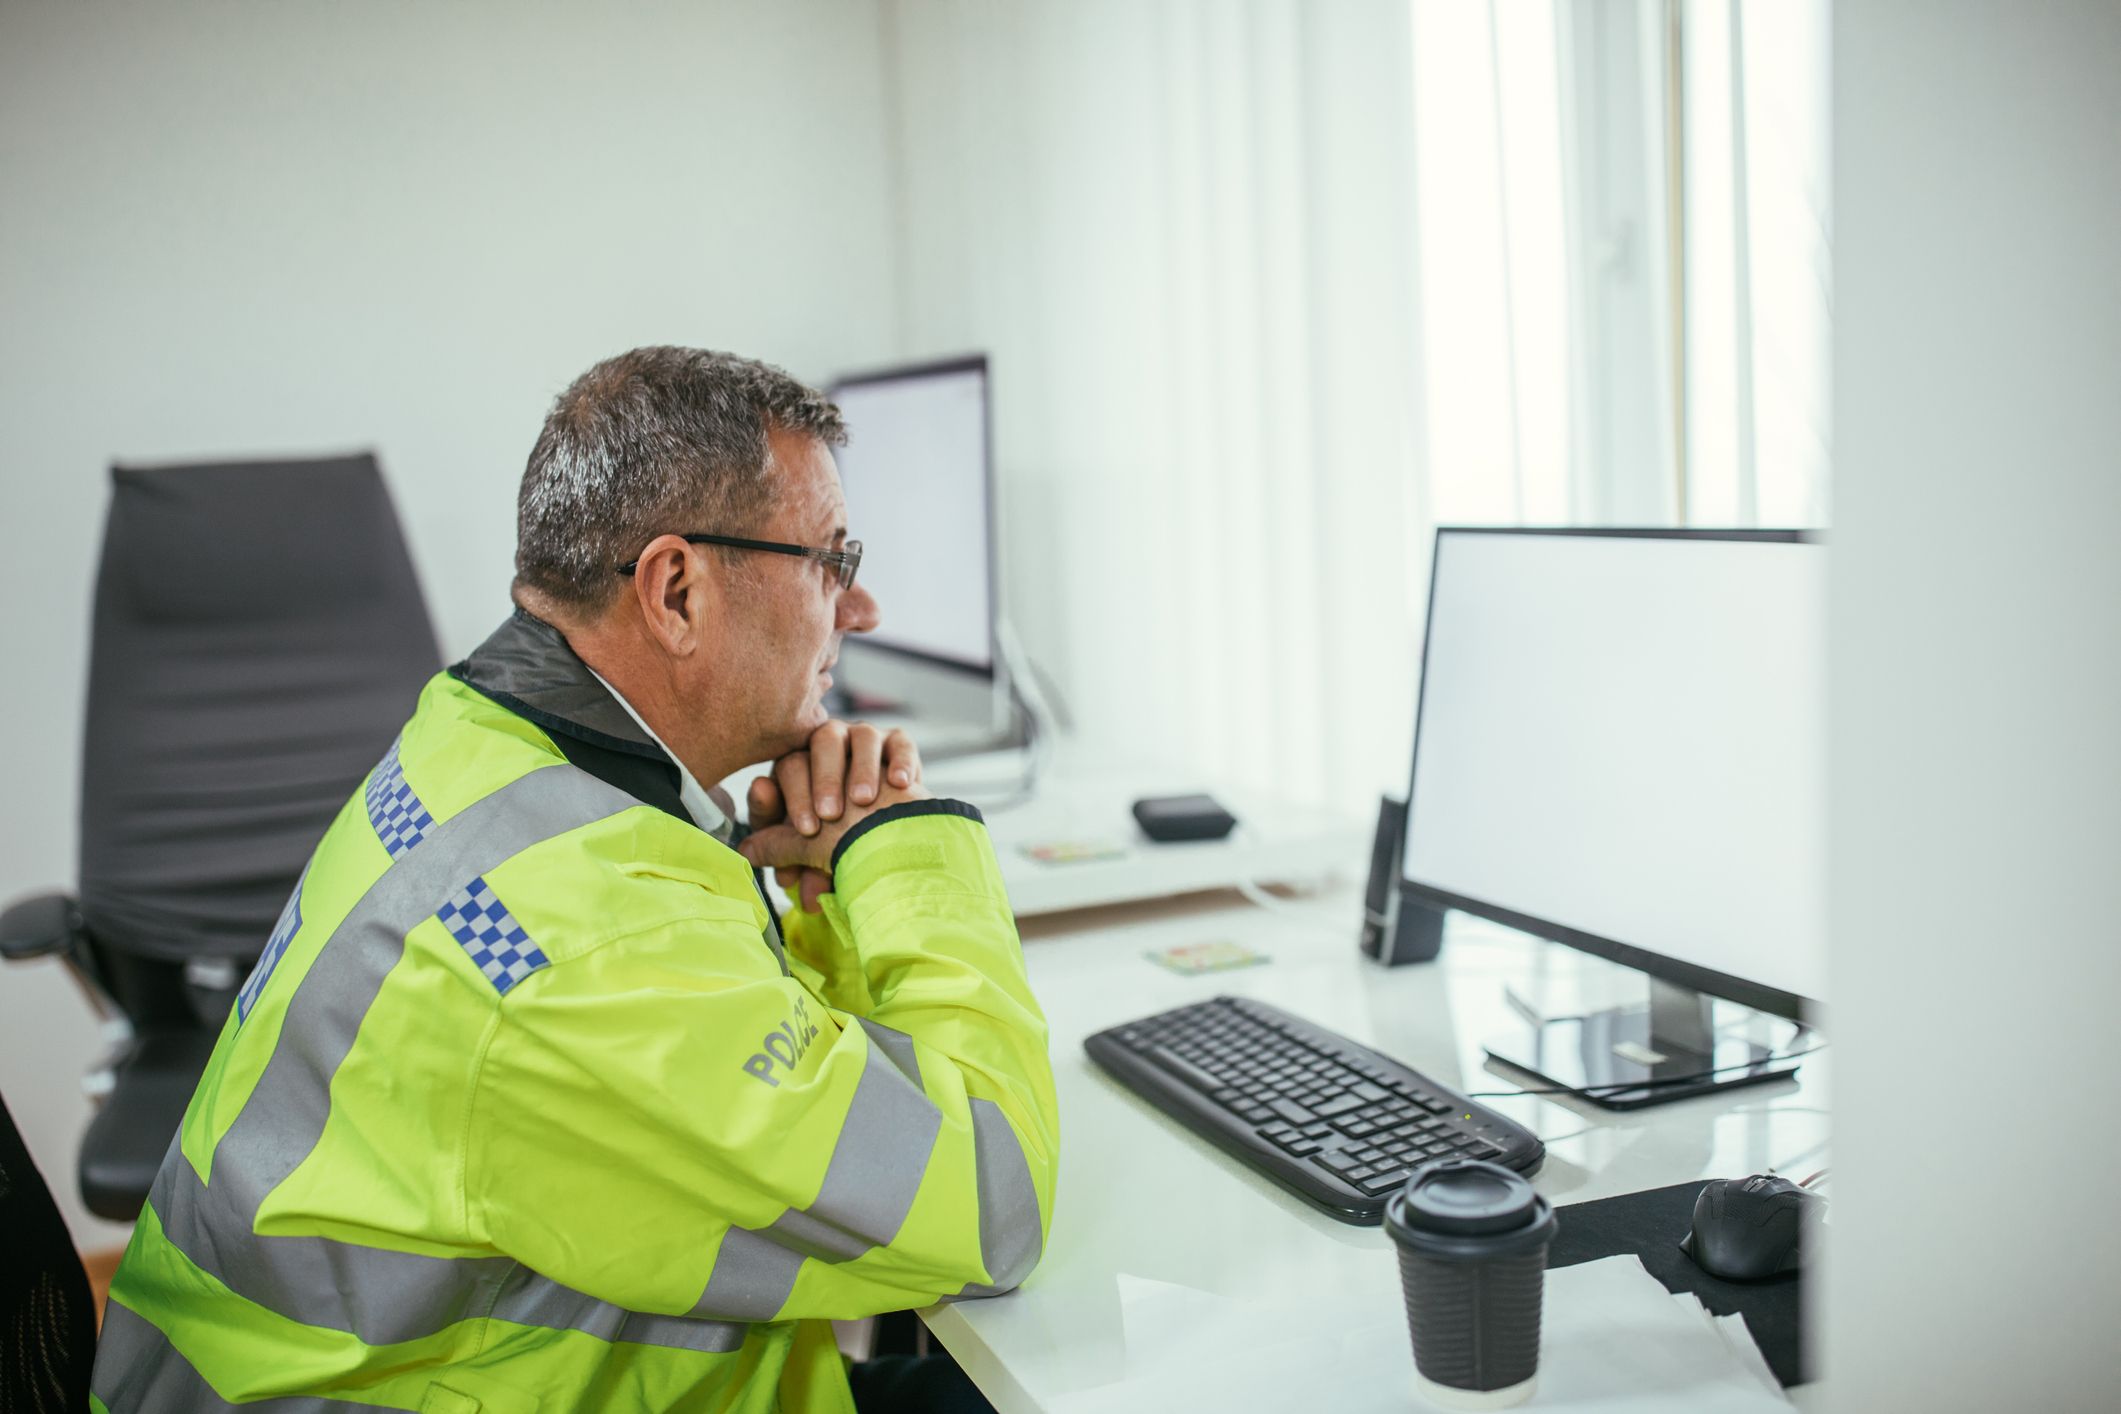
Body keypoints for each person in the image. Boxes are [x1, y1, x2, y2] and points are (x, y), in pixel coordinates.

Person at [90, 347, 1060, 1414]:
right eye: (832, 557)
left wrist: (826, 892)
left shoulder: (479, 744)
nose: (860, 607)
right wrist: (905, 846)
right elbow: (993, 1205)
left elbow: (766, 1079)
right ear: (678, 589)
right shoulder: (590, 947)